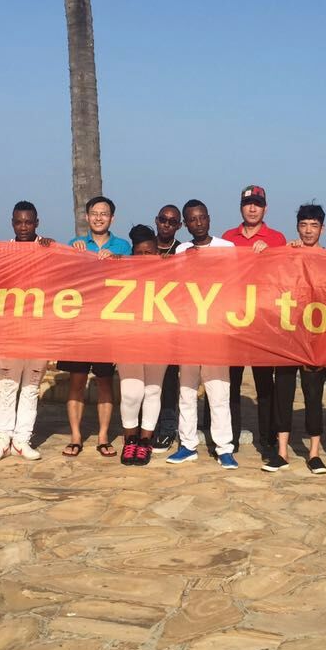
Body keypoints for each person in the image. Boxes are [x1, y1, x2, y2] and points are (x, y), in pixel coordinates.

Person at [168, 200, 238, 468]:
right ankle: (187, 445)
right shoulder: (182, 250)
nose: (198, 223)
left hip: (216, 331)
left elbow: (236, 282)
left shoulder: (227, 248)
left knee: (218, 392)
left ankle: (224, 448)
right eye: (192, 220)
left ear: (209, 218)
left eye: (202, 218)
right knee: (186, 391)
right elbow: (175, 286)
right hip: (189, 330)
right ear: (186, 224)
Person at [59, 196, 131, 458]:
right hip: (80, 325)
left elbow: (134, 277)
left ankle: (102, 437)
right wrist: (73, 257)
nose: (99, 218)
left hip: (107, 326)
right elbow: (63, 280)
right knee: (77, 381)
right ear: (87, 217)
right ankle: (76, 437)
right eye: (95, 213)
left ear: (112, 218)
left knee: (104, 382)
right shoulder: (74, 244)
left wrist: (117, 260)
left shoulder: (123, 246)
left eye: (104, 213)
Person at [222, 185, 287, 457]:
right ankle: (229, 438)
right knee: (231, 382)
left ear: (265, 208)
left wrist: (270, 256)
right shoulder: (228, 238)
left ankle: (268, 440)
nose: (252, 208)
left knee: (264, 384)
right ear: (241, 207)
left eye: (257, 204)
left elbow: (285, 276)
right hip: (233, 321)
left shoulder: (277, 238)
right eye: (248, 203)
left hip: (263, 321)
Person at [0, 201, 52, 462]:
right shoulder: (3, 252)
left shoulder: (49, 250)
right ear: (12, 223)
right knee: (7, 386)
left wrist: (53, 248)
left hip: (39, 330)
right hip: (9, 331)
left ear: (37, 223)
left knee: (31, 387)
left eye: (28, 222)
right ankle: (2, 439)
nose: (23, 227)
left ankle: (22, 440)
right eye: (18, 222)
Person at [265, 203, 326, 473]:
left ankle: (314, 454)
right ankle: (282, 452)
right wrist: (267, 251)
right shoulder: (288, 253)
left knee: (314, 395)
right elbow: (265, 272)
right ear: (297, 227)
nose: (308, 230)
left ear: (322, 229)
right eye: (303, 225)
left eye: (314, 225)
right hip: (288, 334)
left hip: (316, 336)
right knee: (283, 391)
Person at [118, 226, 168, 466]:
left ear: (157, 252)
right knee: (131, 393)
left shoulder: (168, 273)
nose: (144, 258)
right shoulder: (122, 273)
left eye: (149, 252)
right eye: (139, 253)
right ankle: (130, 439)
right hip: (128, 338)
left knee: (153, 390)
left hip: (159, 338)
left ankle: (145, 441)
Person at [152, 204, 185, 450]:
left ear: (179, 226)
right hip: (146, 325)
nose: (166, 224)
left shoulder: (183, 251)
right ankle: (146, 428)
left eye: (172, 222)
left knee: (170, 381)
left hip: (172, 327)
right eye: (163, 219)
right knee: (147, 382)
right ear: (156, 220)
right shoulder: (143, 248)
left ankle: (167, 428)